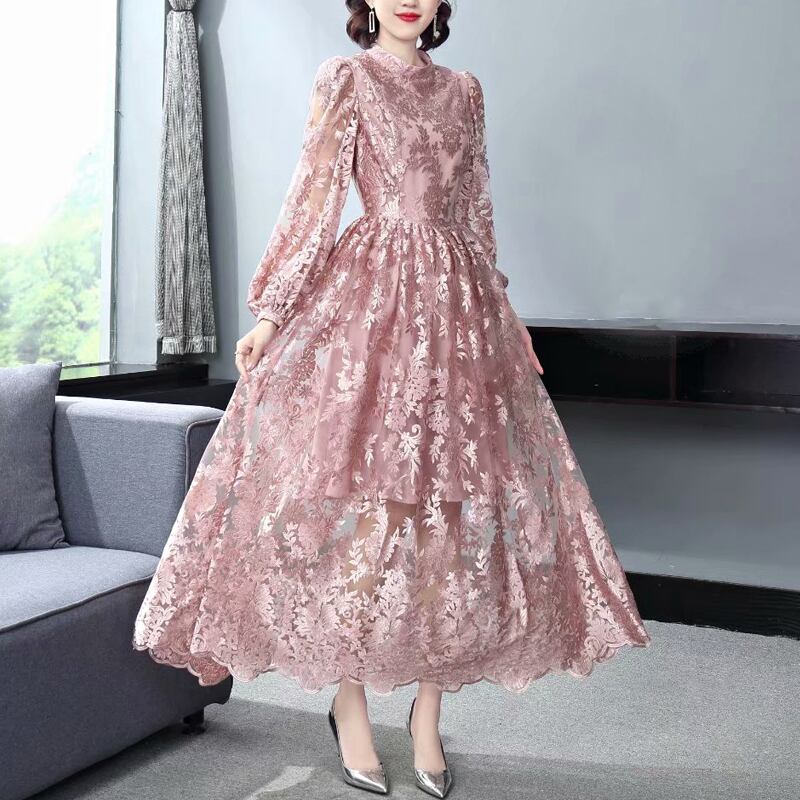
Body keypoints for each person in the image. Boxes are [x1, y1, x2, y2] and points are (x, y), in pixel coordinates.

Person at [133, 1, 652, 796]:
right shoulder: (345, 78)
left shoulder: (465, 90)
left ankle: (426, 716)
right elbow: (313, 199)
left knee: (449, 521)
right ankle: (349, 702)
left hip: (459, 315)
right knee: (365, 520)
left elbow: (474, 214)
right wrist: (272, 314)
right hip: (372, 307)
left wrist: (503, 311)